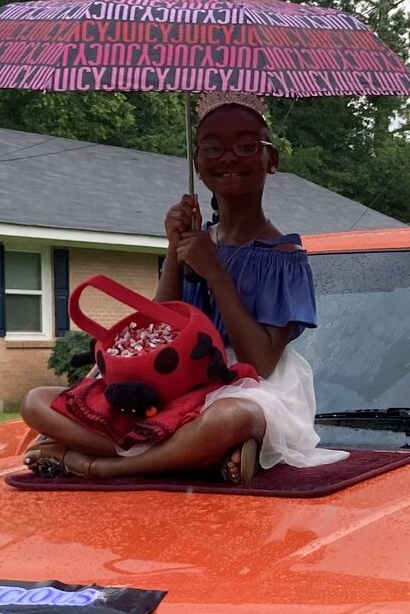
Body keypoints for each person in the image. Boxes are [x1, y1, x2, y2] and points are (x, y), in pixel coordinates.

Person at [19, 97, 341, 482]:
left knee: (230, 418)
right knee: (37, 403)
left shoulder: (283, 254)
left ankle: (98, 463)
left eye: (246, 146)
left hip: (248, 385)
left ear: (272, 160)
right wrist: (175, 248)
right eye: (212, 148)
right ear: (197, 165)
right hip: (175, 375)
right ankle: (196, 456)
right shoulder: (195, 242)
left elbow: (263, 362)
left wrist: (216, 273)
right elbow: (159, 325)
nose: (228, 158)